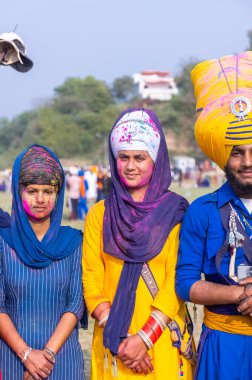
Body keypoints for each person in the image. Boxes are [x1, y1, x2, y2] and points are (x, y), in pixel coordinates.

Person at [83, 108, 194, 379]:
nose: (130, 166)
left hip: (162, 340)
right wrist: (122, 340)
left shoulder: (176, 212)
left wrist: (144, 338)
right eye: (124, 157)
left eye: (140, 158)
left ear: (155, 160)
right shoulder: (100, 214)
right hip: (113, 343)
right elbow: (92, 279)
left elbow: (175, 282)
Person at [176, 51, 252, 379]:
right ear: (222, 156)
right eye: (237, 152)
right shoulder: (202, 211)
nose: (247, 161)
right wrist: (242, 294)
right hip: (224, 343)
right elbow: (185, 283)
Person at [0, 144, 85, 380]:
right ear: (18, 193)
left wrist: (45, 357)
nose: (40, 199)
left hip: (62, 360)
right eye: (32, 191)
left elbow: (75, 303)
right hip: (11, 359)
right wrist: (26, 355)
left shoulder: (73, 241)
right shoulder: (2, 242)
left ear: (58, 194)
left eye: (48, 191)